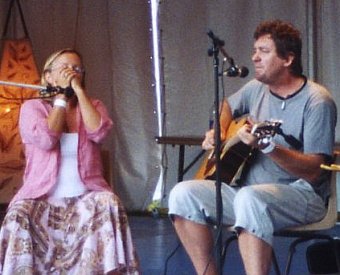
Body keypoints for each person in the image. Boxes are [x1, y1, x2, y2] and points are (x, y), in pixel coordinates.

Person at [168, 20, 337, 275]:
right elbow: (225, 104)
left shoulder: (317, 101)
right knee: (182, 194)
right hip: (248, 192)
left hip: (303, 195)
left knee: (251, 199)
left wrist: (269, 148)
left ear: (288, 59)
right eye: (254, 51)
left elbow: (314, 171)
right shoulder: (257, 88)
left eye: (264, 51)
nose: (254, 58)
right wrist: (219, 131)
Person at [0, 49, 140, 274]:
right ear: (48, 76)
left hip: (86, 196)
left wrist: (78, 92)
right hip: (42, 197)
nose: (71, 73)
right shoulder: (32, 108)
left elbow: (99, 132)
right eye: (65, 68)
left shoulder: (93, 105)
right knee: (19, 213)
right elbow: (47, 139)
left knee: (109, 203)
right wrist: (61, 100)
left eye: (77, 69)